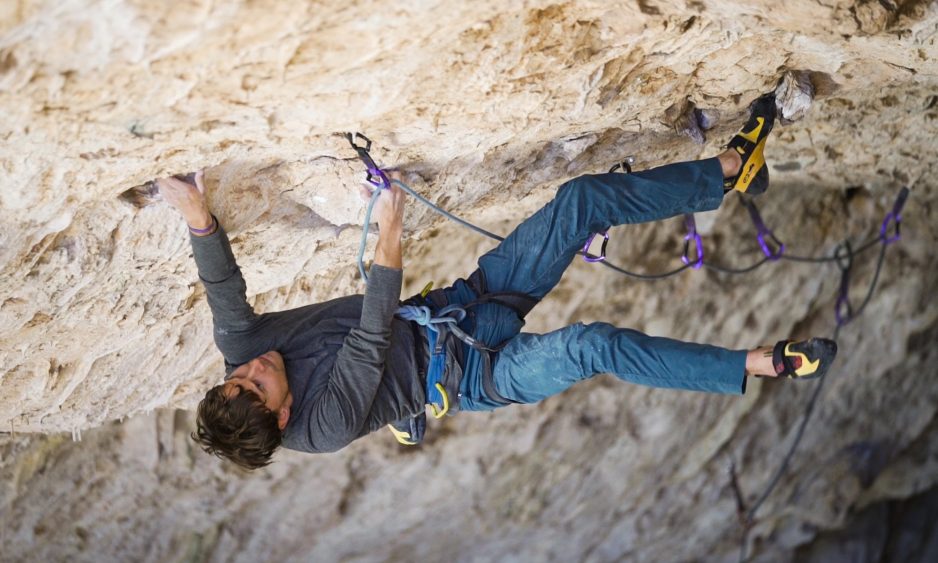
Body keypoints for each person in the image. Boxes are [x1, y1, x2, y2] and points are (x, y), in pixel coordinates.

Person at [157, 93, 837, 470]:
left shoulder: (244, 349)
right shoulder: (322, 426)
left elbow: (225, 293)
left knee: (581, 203)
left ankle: (725, 170)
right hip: (478, 375)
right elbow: (368, 339)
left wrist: (198, 216)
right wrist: (391, 228)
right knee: (590, 345)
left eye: (236, 375)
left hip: (458, 306)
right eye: (256, 385)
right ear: (280, 414)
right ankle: (761, 363)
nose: (252, 366)